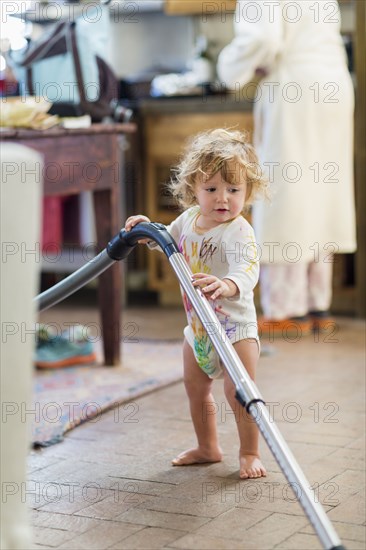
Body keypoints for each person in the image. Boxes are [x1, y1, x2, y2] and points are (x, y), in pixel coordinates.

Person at [125, 128, 268, 479]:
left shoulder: (239, 231)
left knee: (239, 393)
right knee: (195, 387)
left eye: (234, 190)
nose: (223, 199)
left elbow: (248, 270)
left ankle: (249, 452)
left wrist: (226, 284)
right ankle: (208, 446)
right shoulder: (188, 220)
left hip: (236, 330)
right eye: (212, 189)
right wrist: (148, 230)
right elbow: (166, 243)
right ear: (193, 190)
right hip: (200, 329)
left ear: (248, 191)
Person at [217, 0, 356, 336]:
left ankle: (285, 309)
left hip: (294, 88)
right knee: (322, 192)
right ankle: (316, 304)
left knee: (285, 193)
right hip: (333, 84)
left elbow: (262, 38)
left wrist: (228, 69)